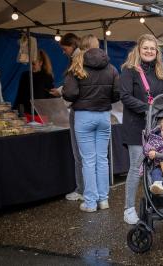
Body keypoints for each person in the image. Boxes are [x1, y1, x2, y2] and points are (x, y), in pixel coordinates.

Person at [62, 34, 120, 212]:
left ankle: (90, 202)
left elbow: (69, 94)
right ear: (98, 46)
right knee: (102, 159)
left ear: (83, 47)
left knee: (88, 160)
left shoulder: (76, 66)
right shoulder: (111, 68)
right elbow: (117, 94)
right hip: (103, 116)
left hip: (83, 116)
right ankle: (103, 199)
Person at [121, 34, 163, 224]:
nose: (149, 51)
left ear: (157, 52)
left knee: (155, 166)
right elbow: (125, 96)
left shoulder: (160, 73)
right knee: (136, 167)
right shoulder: (129, 70)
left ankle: (152, 203)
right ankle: (128, 208)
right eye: (145, 48)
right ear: (138, 50)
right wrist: (148, 109)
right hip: (135, 126)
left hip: (156, 127)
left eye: (152, 48)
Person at [51, 33, 85, 202]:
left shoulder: (77, 62)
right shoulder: (97, 63)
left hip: (79, 112)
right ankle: (98, 192)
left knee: (79, 154)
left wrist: (61, 91)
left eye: (65, 49)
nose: (64, 52)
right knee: (95, 157)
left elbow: (72, 91)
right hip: (96, 112)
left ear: (72, 46)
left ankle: (81, 189)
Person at [14, 50, 54, 114]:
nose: (31, 66)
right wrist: (16, 109)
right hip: (26, 112)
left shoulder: (47, 77)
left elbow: (50, 96)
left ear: (40, 62)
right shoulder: (25, 75)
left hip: (41, 113)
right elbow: (20, 95)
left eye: (33, 64)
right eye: (30, 64)